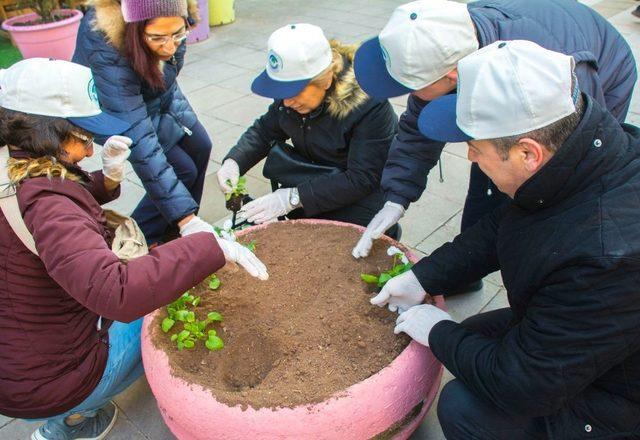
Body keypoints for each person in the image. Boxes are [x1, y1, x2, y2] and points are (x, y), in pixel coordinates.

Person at [375, 41, 640, 439]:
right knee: (476, 333)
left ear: (527, 154)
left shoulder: (607, 255)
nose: (470, 158)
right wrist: (422, 278)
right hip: (596, 332)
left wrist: (438, 330)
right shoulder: (582, 150)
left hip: (621, 397)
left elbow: (525, 386)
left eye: (475, 148)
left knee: (464, 408)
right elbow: (506, 223)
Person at [0, 59, 268, 440]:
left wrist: (105, 181)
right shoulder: (49, 206)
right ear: (51, 134)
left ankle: (66, 415)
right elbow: (119, 291)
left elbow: (50, 210)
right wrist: (209, 248)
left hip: (18, 367)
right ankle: (72, 417)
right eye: (84, 132)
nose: (91, 144)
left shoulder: (18, 172)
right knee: (162, 307)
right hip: (52, 383)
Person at [351, 0, 637, 295]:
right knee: (491, 173)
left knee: (549, 191)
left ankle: (553, 287)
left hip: (601, 67)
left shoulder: (547, 71)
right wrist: (396, 196)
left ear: (452, 76)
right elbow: (418, 124)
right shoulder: (444, 45)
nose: (468, 155)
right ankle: (465, 275)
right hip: (541, 37)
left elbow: (572, 157)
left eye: (413, 85)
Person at [216, 24, 399, 236]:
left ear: (326, 78)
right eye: (280, 91)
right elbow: (265, 130)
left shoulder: (369, 105)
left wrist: (293, 197)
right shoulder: (289, 99)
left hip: (358, 191)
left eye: (294, 91)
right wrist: (234, 161)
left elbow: (363, 177)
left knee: (353, 241)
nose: (285, 101)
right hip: (311, 179)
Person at [73, 0, 213, 245]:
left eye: (178, 34)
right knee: (182, 170)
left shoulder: (176, 16)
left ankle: (180, 240)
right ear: (135, 29)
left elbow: (166, 71)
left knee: (201, 146)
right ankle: (132, 243)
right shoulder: (107, 43)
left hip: (157, 93)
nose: (170, 47)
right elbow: (140, 142)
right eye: (158, 38)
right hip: (114, 109)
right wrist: (185, 218)